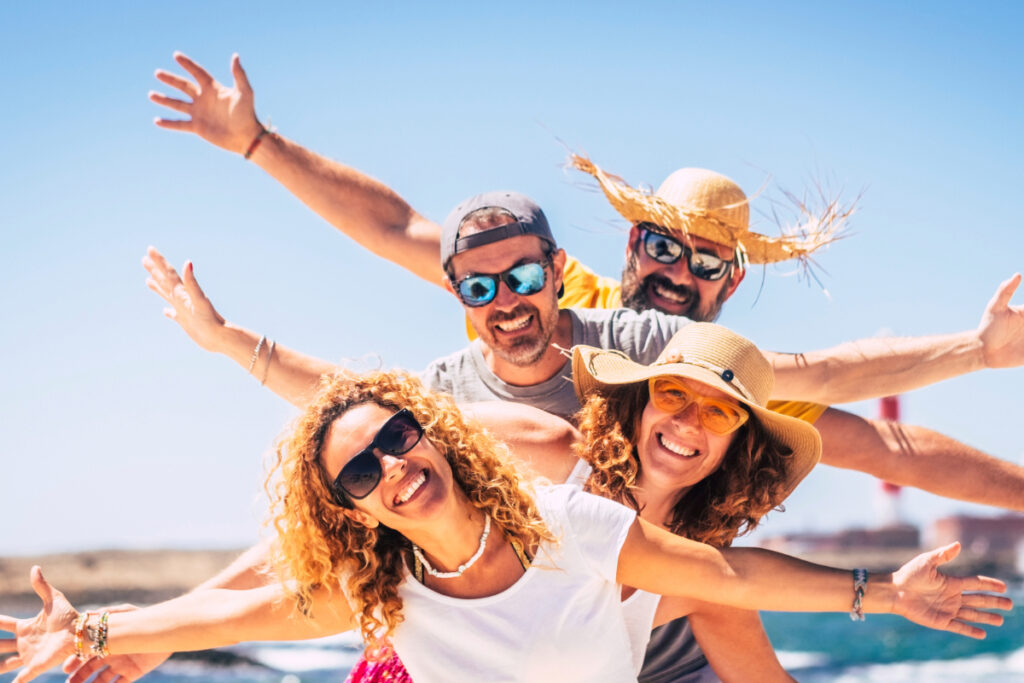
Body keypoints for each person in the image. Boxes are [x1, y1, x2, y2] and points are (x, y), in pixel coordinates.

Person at [146, 52, 1024, 515]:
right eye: (660, 245)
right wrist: (261, 145)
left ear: (735, 276)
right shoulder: (537, 292)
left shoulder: (720, 386)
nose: (676, 273)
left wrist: (980, 351)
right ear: (625, 244)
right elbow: (396, 230)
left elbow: (876, 429)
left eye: (707, 260)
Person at [0, 370, 1011, 683]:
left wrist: (888, 594)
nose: (392, 465)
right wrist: (98, 629)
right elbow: (245, 606)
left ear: (433, 436)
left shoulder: (569, 524)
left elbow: (733, 582)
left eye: (398, 437)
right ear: (350, 507)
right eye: (361, 469)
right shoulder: (377, 592)